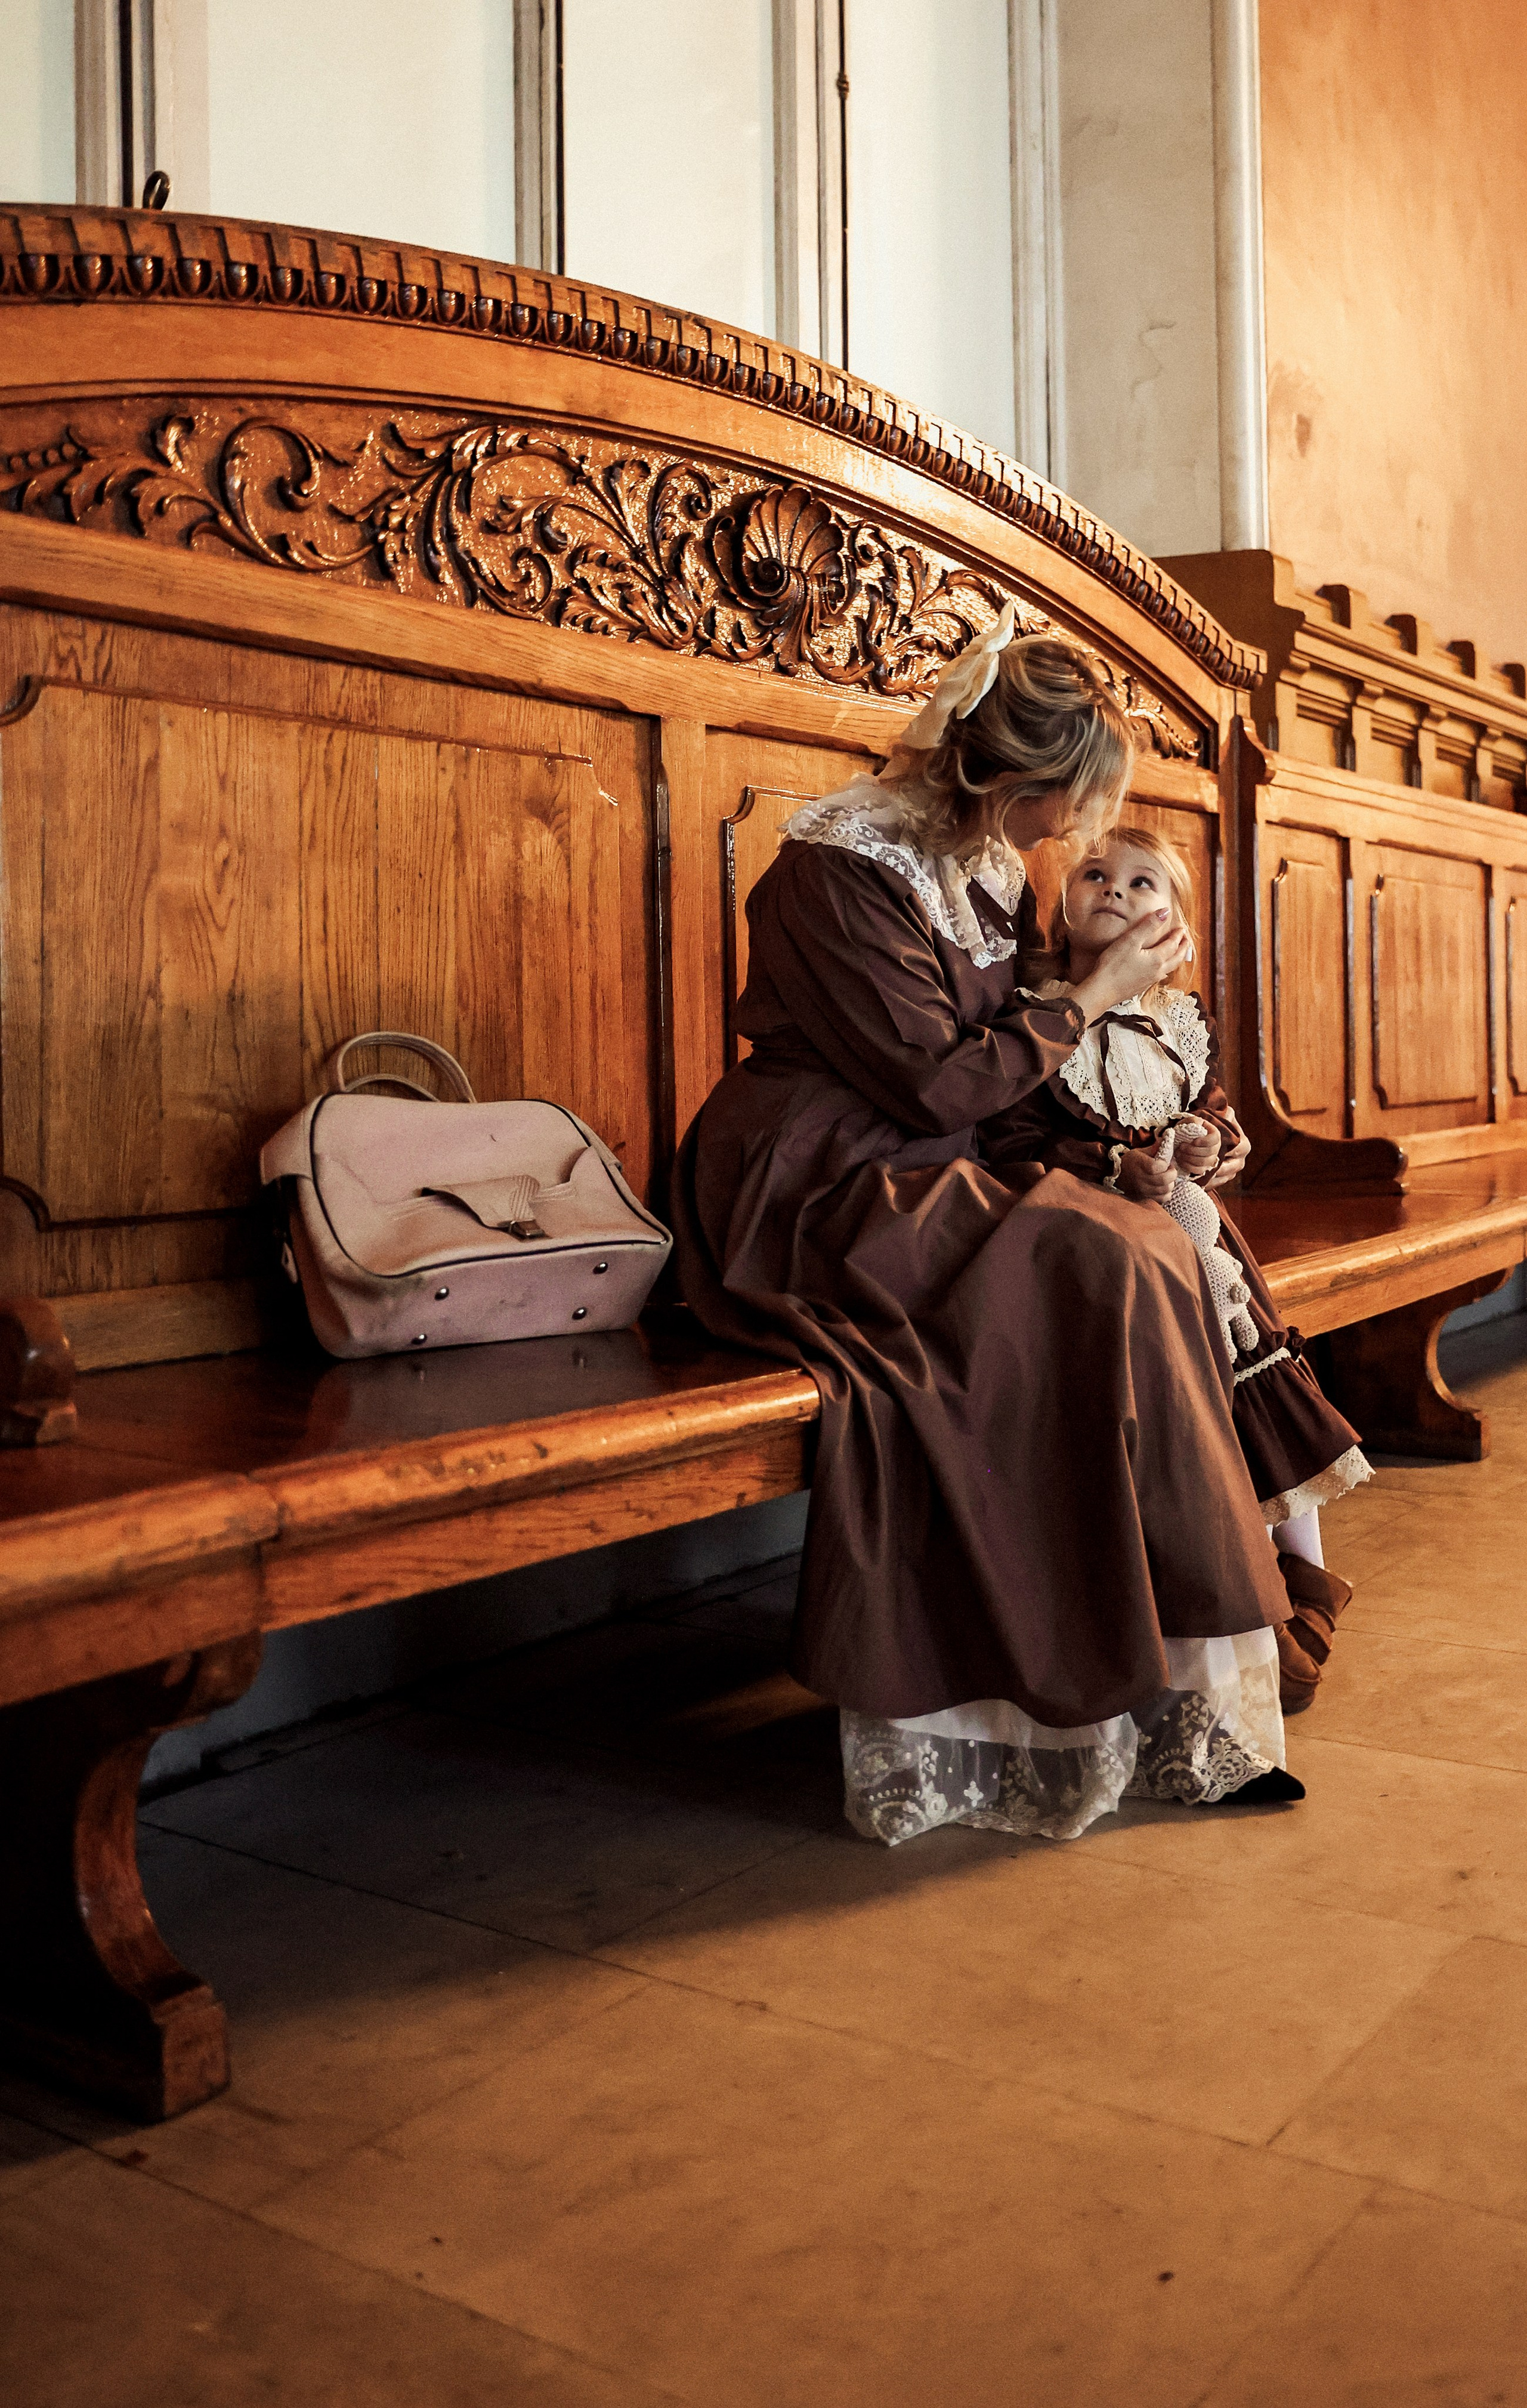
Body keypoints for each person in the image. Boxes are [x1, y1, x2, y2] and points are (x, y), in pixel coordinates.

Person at [671, 607, 1305, 1844]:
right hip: (813, 1183)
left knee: (1152, 1232)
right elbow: (934, 1082)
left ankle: (1174, 1688)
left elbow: (1003, 1096)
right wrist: (1092, 991)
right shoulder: (834, 865)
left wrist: (1138, 1148)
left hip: (934, 1164)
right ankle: (1029, 1691)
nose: (1067, 832)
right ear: (1000, 776)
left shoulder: (991, 866)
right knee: (1088, 1256)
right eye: (1058, 802)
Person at [994, 825, 1368, 1713]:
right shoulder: (1035, 1013)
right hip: (1102, 1241)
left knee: (1258, 1386)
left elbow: (1216, 1111)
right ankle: (1221, 1588)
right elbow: (1009, 1134)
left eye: (1140, 883)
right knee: (1189, 1421)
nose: (1114, 891)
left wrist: (1212, 1142)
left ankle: (1304, 1584)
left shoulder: (1179, 1021)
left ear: (1177, 924)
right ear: (1062, 902)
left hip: (1205, 1249)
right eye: (1095, 875)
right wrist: (1111, 1163)